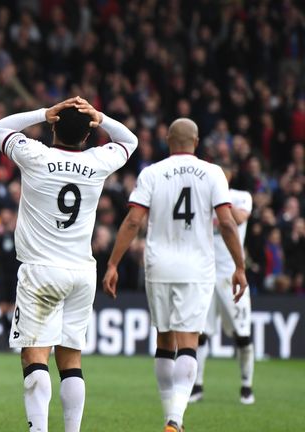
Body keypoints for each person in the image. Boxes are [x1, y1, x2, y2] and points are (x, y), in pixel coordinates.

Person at [0, 96, 138, 432]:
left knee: (34, 355)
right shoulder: (98, 160)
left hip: (41, 270)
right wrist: (100, 116)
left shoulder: (35, 155)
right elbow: (130, 140)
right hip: (83, 272)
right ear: (87, 135)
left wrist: (42, 112)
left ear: (53, 126)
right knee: (71, 360)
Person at [102, 118, 248, 432]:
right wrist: (240, 266)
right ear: (196, 142)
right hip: (196, 268)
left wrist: (113, 263)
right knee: (188, 343)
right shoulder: (213, 173)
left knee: (165, 341)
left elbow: (132, 222)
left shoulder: (152, 173)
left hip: (158, 266)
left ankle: (171, 416)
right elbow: (226, 222)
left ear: (169, 140)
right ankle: (175, 420)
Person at [191, 167, 255, 405]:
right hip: (206, 274)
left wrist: (219, 200)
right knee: (201, 334)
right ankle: (197, 385)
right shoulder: (201, 197)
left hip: (231, 276)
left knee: (242, 335)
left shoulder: (241, 197)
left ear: (229, 176)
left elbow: (238, 219)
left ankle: (246, 385)